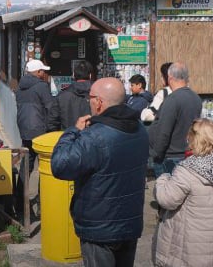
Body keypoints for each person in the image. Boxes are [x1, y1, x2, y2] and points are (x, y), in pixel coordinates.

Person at [51, 77, 149, 266]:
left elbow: (60, 165)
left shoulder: (93, 137)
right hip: (129, 222)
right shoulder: (140, 130)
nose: (89, 101)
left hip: (99, 228)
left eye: (91, 97)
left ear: (99, 102)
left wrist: (72, 132)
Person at [152, 118, 213, 267]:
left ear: (193, 139)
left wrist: (163, 179)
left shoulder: (187, 170)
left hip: (190, 249)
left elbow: (166, 200)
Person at [148, 62, 202, 176]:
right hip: (187, 153)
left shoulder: (172, 99)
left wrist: (156, 154)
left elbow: (164, 131)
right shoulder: (195, 97)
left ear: (170, 78)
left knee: (167, 192)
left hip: (170, 157)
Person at [16, 59, 61, 169]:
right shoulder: (41, 86)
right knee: (44, 163)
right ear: (37, 72)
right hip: (39, 128)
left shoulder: (20, 86)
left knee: (27, 162)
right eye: (42, 71)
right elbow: (50, 106)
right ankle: (43, 187)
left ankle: (20, 186)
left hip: (24, 127)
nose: (44, 73)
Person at [56, 60, 93, 129]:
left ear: (73, 75)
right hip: (92, 136)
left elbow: (53, 121)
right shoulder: (98, 93)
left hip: (68, 136)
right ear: (90, 75)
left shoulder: (62, 95)